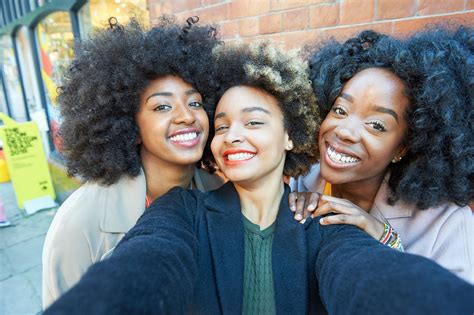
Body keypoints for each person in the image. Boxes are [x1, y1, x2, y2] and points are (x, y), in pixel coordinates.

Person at [44, 42, 474, 315]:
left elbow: (364, 274)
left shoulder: (322, 222)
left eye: (254, 122)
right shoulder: (181, 208)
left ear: (290, 135)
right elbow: (152, 258)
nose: (232, 135)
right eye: (223, 123)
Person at [41, 17, 224, 308]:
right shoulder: (80, 222)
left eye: (195, 103)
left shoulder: (219, 191)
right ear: (130, 126)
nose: (187, 116)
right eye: (162, 106)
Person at [289, 27, 473, 283]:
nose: (345, 132)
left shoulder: (446, 224)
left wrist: (386, 241)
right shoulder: (301, 181)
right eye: (340, 110)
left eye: (376, 125)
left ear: (402, 148)